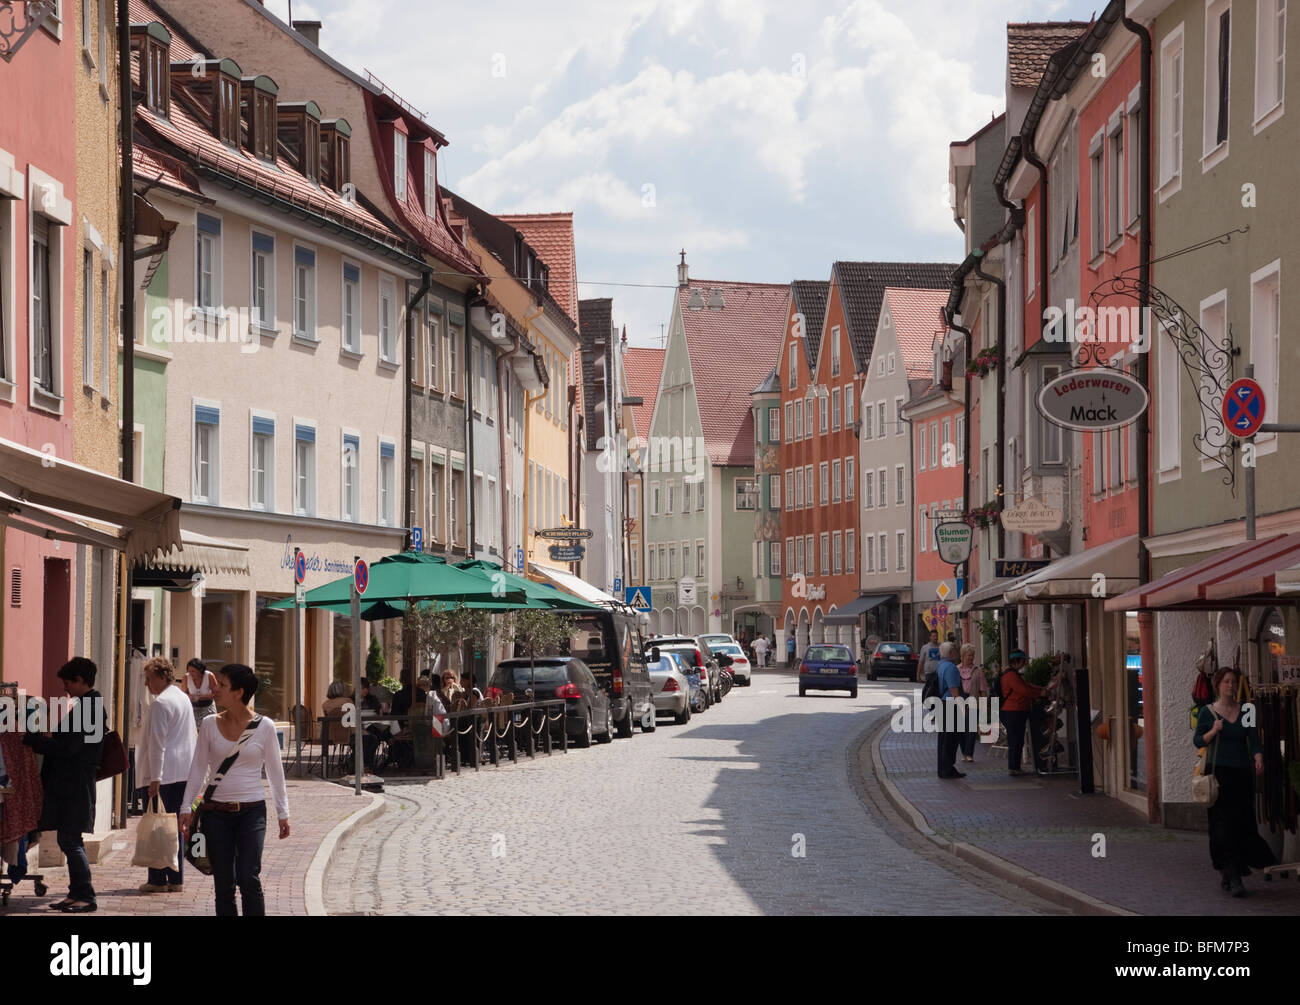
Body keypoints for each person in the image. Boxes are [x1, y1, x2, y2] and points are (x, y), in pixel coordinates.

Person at [180, 664, 290, 917]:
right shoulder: (209, 724)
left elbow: (275, 772)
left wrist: (283, 813)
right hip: (215, 813)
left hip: (252, 813)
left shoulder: (265, 727)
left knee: (248, 877)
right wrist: (186, 807)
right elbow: (198, 768)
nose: (215, 689)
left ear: (239, 692)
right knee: (224, 884)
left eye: (222, 685)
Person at [24, 658, 104, 912]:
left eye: (68, 682)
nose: (65, 688)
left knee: (71, 841)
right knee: (68, 839)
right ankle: (75, 893)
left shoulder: (89, 708)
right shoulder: (88, 705)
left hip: (75, 786)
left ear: (81, 680)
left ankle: (86, 896)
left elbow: (69, 748)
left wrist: (35, 741)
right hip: (73, 784)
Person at [1194, 667, 1275, 897]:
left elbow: (1253, 740)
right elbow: (1197, 740)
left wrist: (1258, 757)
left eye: (1234, 682)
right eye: (1226, 682)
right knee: (1221, 826)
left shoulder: (1247, 709)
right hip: (1218, 774)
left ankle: (1233, 870)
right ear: (1218, 685)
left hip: (1241, 774)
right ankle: (1231, 874)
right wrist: (1213, 731)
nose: (1230, 686)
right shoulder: (1208, 712)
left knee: (1242, 822)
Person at [136, 657, 197, 893]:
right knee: (174, 828)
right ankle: (176, 878)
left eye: (149, 678)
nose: (147, 684)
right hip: (182, 772)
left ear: (162, 677)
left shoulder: (161, 703)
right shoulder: (182, 698)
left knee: (157, 828)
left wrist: (155, 779)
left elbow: (157, 743)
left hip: (163, 775)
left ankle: (158, 879)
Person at [999, 651, 1046, 776]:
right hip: (1013, 711)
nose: (1025, 663)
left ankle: (1015, 767)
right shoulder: (1011, 676)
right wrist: (1040, 693)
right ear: (1017, 661)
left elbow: (1026, 686)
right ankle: (1013, 768)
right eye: (1023, 661)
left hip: (1015, 711)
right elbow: (1023, 690)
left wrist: (1040, 688)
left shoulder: (1013, 674)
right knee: (1015, 740)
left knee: (1017, 740)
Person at [936, 643, 964, 779]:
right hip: (951, 704)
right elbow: (954, 690)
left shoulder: (940, 666)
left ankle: (942, 768)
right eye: (956, 650)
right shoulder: (951, 667)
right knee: (951, 739)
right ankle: (948, 769)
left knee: (943, 738)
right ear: (951, 652)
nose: (958, 652)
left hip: (942, 703)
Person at [956, 644, 986, 763]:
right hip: (960, 701)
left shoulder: (978, 671)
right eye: (969, 655)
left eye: (972, 656)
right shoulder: (956, 669)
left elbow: (983, 689)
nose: (971, 658)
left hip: (973, 700)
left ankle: (969, 754)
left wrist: (984, 707)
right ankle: (964, 752)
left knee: (971, 729)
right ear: (963, 656)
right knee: (961, 729)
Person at [185, 658, 218, 729]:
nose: (191, 673)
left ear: (200, 670)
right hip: (194, 708)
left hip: (208, 706)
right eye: (189, 671)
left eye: (193, 671)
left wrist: (200, 697)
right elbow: (184, 694)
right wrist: (190, 697)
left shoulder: (209, 676)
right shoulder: (186, 677)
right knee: (195, 730)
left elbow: (216, 693)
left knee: (210, 729)